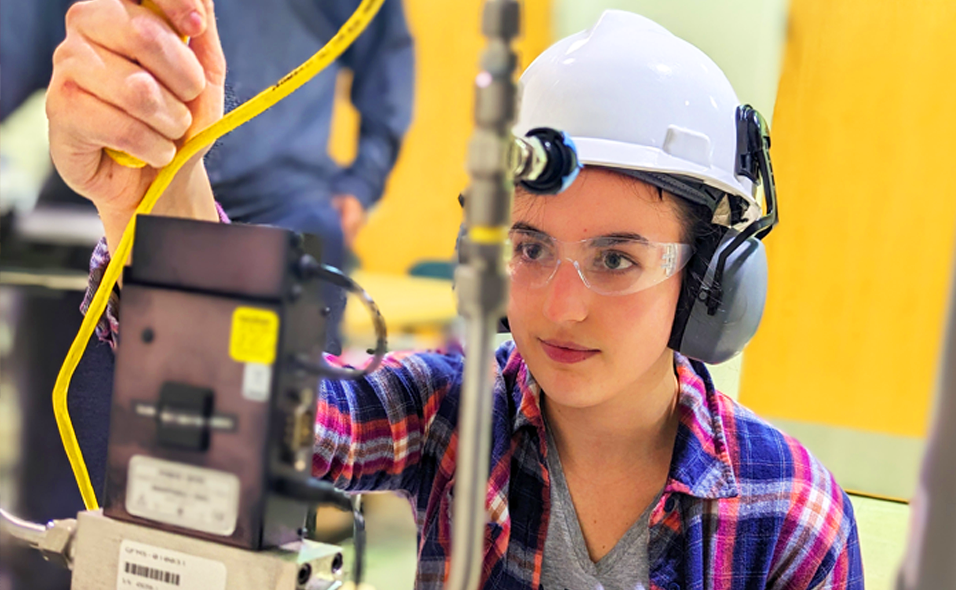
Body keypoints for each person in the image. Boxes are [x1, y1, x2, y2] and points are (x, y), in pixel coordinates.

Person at [47, 1, 863, 588]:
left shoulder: (791, 517)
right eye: (530, 247)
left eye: (616, 259)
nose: (561, 306)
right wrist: (161, 182)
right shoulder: (460, 413)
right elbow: (273, 412)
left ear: (711, 279)